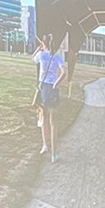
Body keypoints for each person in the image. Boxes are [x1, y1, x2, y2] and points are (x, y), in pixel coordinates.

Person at [33, 33, 66, 163]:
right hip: (53, 89)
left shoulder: (41, 55)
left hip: (43, 89)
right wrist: (56, 83)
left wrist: (39, 48)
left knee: (43, 118)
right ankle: (54, 154)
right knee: (53, 123)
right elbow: (64, 72)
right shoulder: (56, 57)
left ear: (44, 44)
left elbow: (32, 58)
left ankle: (44, 145)